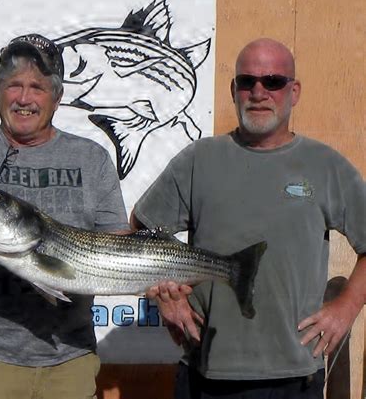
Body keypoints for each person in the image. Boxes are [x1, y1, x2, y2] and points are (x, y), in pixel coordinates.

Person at [131, 38, 366, 399]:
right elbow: (142, 229)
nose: (259, 92)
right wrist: (169, 298)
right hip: (205, 373)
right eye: (247, 81)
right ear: (233, 90)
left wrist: (345, 309)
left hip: (295, 374)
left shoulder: (325, 166)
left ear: (294, 91)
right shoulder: (199, 160)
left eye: (273, 81)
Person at [0, 33, 129, 399]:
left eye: (37, 86)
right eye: (13, 85)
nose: (24, 98)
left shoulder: (92, 159)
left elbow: (118, 247)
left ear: (58, 96)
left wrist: (162, 278)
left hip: (70, 357)